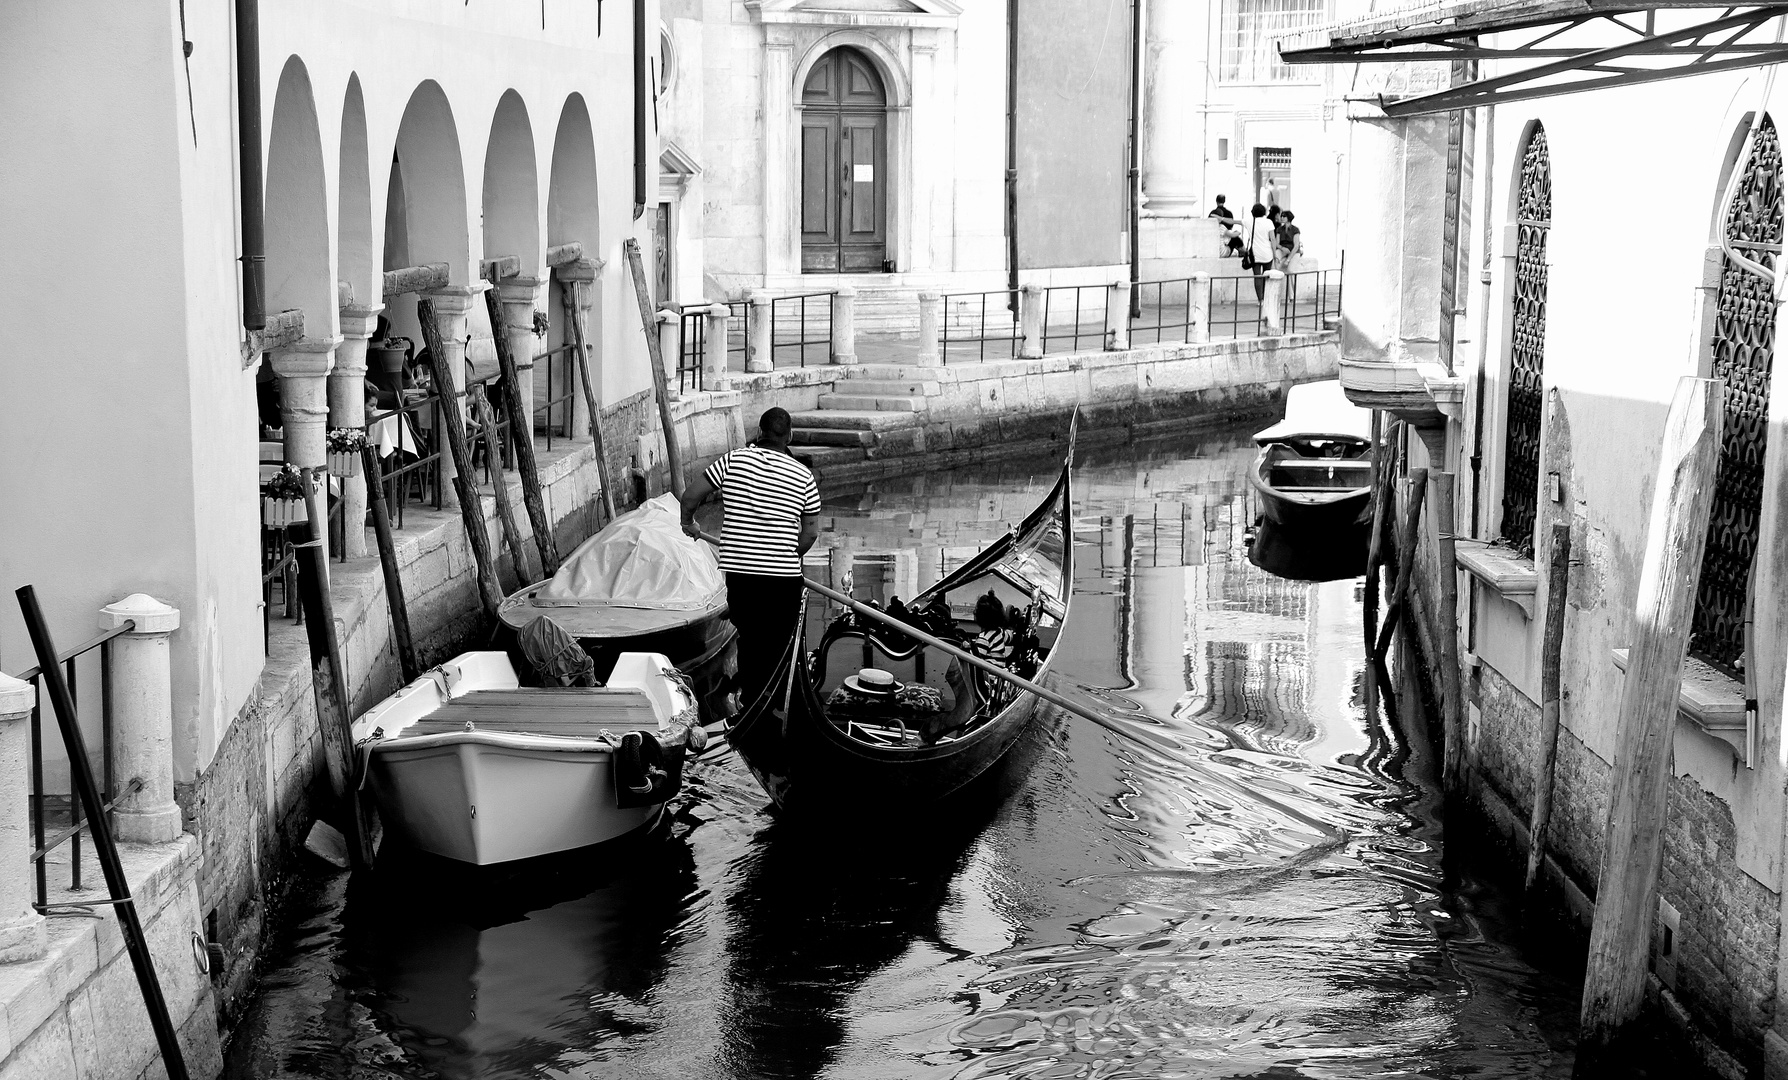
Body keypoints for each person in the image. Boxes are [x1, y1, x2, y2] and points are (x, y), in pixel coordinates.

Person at [680, 407, 821, 712]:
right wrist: (785, 553)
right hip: (783, 580)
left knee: (751, 640)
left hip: (742, 577)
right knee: (778, 647)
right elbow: (810, 534)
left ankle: (753, 705)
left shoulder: (733, 460)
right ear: (790, 436)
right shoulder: (804, 476)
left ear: (759, 433)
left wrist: (688, 524)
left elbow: (690, 497)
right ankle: (775, 706)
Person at [1245, 203, 1275, 302]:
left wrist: (1221, 218)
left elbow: (1234, 221)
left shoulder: (1249, 222)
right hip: (1267, 254)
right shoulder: (1269, 222)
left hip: (1255, 254)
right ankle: (1266, 298)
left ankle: (1260, 300)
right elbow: (1273, 239)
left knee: (1257, 277)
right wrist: (1275, 254)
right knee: (1267, 277)